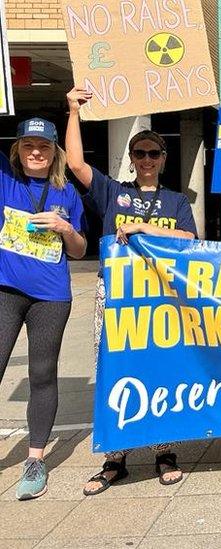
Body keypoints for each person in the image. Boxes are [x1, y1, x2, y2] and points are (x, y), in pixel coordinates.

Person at [66, 88, 198, 495]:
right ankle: (115, 459)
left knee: (162, 367)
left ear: (163, 160)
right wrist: (73, 111)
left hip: (159, 297)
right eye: (139, 153)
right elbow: (73, 163)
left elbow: (189, 236)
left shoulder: (176, 200)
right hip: (115, 293)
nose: (145, 160)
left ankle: (165, 452)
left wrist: (144, 228)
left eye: (153, 154)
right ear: (132, 158)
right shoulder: (112, 192)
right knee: (112, 367)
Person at [0, 118, 87, 500]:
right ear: (17, 150)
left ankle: (35, 459)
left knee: (42, 373)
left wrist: (64, 228)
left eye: (44, 146)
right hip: (6, 290)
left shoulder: (67, 192)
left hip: (51, 297)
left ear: (55, 153)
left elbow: (80, 250)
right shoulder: (5, 179)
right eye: (29, 145)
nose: (36, 152)